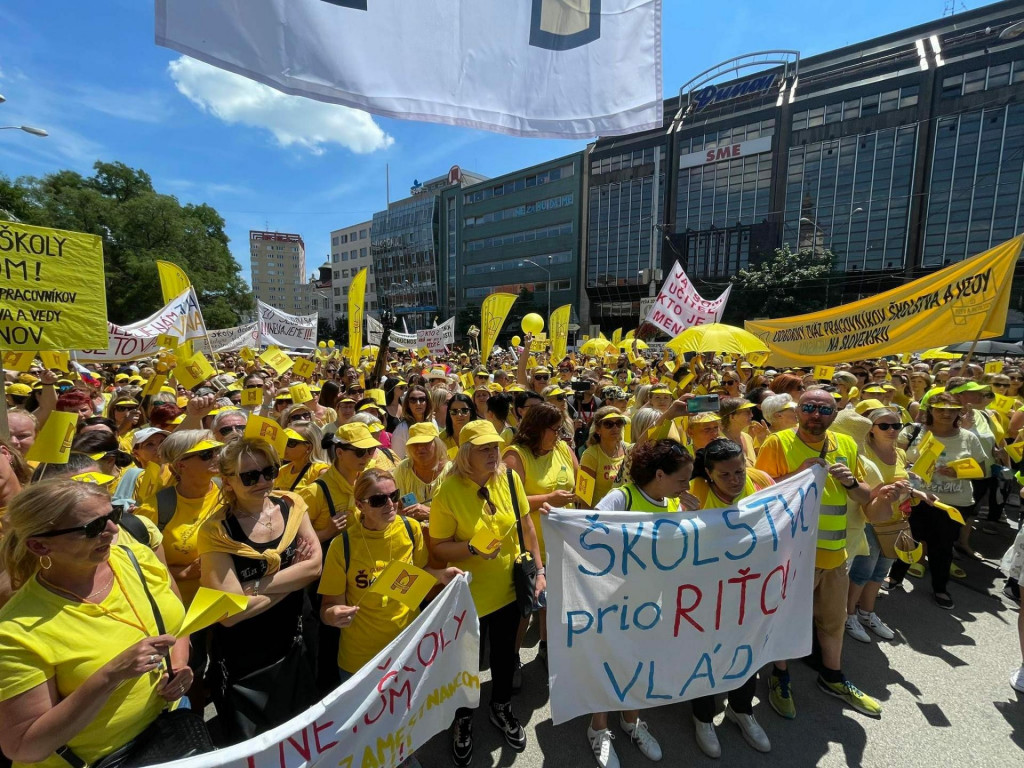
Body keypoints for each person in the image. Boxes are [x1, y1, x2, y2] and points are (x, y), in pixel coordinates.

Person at [0, 480, 193, 768]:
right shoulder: (16, 631)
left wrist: (178, 665)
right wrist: (111, 675)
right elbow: (24, 746)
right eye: (93, 528)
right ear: (40, 545)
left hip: (170, 728)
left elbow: (177, 624)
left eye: (112, 515)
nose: (114, 530)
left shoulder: (134, 557)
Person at [755, 388, 882, 719]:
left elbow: (864, 496)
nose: (815, 414)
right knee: (783, 619)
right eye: (808, 407)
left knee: (833, 621)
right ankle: (780, 677)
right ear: (798, 411)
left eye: (824, 409)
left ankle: (833, 677)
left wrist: (853, 483)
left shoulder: (848, 445)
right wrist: (797, 475)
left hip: (834, 555)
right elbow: (757, 493)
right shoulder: (777, 443)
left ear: (835, 414)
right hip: (791, 556)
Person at [430, 421, 545, 766]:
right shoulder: (448, 492)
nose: (494, 453)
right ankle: (463, 718)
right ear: (466, 454)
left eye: (496, 446)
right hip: (469, 598)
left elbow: (527, 527)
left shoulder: (509, 478)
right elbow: (438, 548)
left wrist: (539, 571)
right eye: (485, 448)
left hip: (510, 590)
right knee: (466, 663)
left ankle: (501, 705)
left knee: (504, 658)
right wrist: (471, 549)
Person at [198, 438, 322, 742]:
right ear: (227, 481)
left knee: (301, 732)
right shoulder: (215, 531)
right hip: (245, 659)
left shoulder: (292, 505)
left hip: (296, 641)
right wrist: (293, 579)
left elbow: (315, 567)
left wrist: (251, 587)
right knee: (256, 744)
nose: (263, 482)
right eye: (250, 476)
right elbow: (229, 613)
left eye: (269, 472)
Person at [586, 439, 699, 768]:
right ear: (660, 475)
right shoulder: (622, 497)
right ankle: (598, 729)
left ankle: (632, 721)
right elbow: (586, 532)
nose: (687, 486)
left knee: (640, 664)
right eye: (682, 479)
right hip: (611, 601)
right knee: (608, 664)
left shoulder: (675, 505)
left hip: (651, 602)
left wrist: (690, 521)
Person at [318, 469, 461, 685]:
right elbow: (327, 607)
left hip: (409, 649)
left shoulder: (410, 529)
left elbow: (421, 576)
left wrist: (442, 575)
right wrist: (333, 615)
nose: (390, 504)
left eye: (394, 496)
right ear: (359, 505)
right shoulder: (342, 546)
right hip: (361, 661)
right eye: (378, 500)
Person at [686, 438, 774, 756]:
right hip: (704, 598)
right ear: (708, 474)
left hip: (749, 592)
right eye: (726, 475)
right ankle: (703, 716)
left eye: (740, 471)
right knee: (705, 657)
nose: (736, 479)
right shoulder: (693, 492)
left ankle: (741, 709)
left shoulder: (761, 482)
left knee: (747, 651)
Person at [502, 403, 577, 678]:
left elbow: (579, 486)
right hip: (529, 546)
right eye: (554, 429)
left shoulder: (564, 450)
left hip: (562, 543)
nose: (559, 434)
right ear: (536, 429)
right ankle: (510, 658)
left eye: (561, 429)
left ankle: (547, 647)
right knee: (525, 609)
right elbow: (509, 502)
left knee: (551, 602)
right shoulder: (515, 456)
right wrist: (548, 499)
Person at [892, 393, 987, 608]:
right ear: (930, 410)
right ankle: (895, 577)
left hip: (952, 503)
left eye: (952, 409)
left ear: (959, 412)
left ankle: (940, 588)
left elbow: (982, 470)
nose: (946, 413)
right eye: (940, 409)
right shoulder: (913, 431)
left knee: (942, 547)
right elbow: (893, 459)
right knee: (908, 539)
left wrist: (958, 473)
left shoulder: (969, 437)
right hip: (916, 499)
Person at [135, 430, 223, 605]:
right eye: (206, 454)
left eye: (217, 451)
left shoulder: (229, 492)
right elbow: (137, 566)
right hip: (181, 607)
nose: (217, 457)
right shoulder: (154, 508)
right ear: (181, 464)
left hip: (225, 604)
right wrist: (184, 573)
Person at [299, 423, 381, 543]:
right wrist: (327, 532)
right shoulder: (315, 491)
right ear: (340, 453)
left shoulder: (368, 483)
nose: (366, 457)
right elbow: (297, 539)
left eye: (370, 450)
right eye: (360, 452)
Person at [391, 422, 450, 526]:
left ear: (437, 444)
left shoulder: (451, 471)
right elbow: (393, 507)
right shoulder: (403, 469)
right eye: (415, 444)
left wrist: (430, 513)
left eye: (426, 443)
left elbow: (457, 514)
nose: (420, 448)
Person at [579, 407, 630, 506]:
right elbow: (583, 496)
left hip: (625, 515)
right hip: (600, 516)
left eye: (619, 423)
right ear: (598, 430)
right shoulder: (590, 455)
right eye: (608, 424)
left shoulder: (628, 450)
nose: (615, 428)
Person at [274, 424, 329, 492]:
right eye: (283, 440)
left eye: (290, 442)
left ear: (308, 448)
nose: (284, 446)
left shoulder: (321, 472)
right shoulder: (282, 470)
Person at [391, 384, 433, 459]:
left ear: (427, 402)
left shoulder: (433, 423)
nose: (418, 403)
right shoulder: (402, 429)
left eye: (422, 399)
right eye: (413, 400)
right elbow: (397, 460)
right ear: (408, 404)